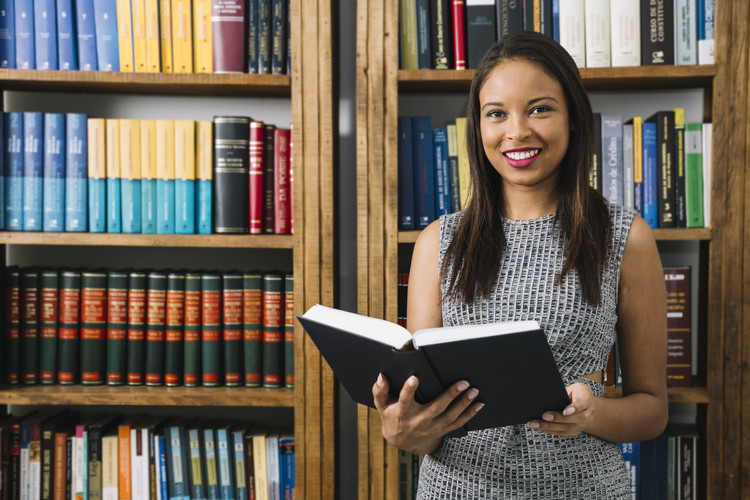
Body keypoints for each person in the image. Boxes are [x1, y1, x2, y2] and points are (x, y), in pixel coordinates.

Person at [371, 32, 668, 498]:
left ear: (572, 118)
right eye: (496, 114)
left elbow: (652, 411)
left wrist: (594, 414)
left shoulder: (624, 237)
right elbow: (426, 429)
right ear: (478, 126)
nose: (517, 131)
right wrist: (403, 430)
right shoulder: (438, 243)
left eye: (539, 108)